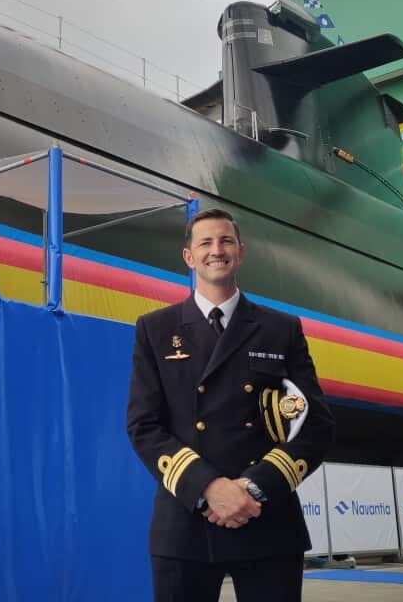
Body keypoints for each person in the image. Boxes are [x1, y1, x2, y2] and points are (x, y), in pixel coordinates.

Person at [126, 208, 334, 602]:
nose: (215, 250)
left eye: (225, 241)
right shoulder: (155, 329)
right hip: (186, 521)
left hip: (266, 519)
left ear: (241, 252)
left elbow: (315, 424)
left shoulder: (281, 329)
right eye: (205, 242)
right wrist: (208, 487)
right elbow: (144, 425)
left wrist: (252, 487)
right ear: (189, 256)